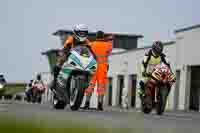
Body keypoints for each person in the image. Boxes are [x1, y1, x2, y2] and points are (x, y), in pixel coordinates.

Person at [50, 24, 91, 90]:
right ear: (76, 33)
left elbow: (91, 51)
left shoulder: (87, 42)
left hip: (81, 60)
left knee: (91, 68)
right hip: (70, 56)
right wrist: (64, 54)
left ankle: (86, 83)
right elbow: (65, 48)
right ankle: (54, 81)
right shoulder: (71, 39)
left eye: (84, 33)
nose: (82, 35)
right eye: (80, 33)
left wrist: (95, 58)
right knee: (59, 63)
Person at [83, 30, 113, 111]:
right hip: (102, 67)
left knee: (90, 85)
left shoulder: (92, 44)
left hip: (92, 67)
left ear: (96, 37)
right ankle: (100, 105)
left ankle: (87, 103)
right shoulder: (107, 45)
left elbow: (86, 49)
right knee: (101, 86)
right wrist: (110, 40)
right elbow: (110, 50)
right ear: (103, 37)